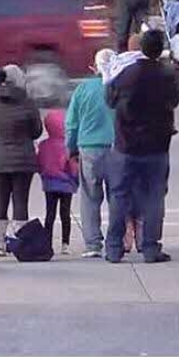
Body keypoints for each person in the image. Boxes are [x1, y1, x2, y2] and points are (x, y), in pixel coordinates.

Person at [104, 29, 179, 264]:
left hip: (126, 144)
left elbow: (109, 99)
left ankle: (114, 248)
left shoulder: (127, 74)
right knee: (154, 197)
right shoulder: (170, 75)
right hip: (157, 144)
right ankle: (150, 246)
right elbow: (174, 101)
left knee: (119, 195)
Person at [0, 64, 42, 257]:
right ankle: (19, 240)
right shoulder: (28, 102)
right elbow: (36, 131)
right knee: (20, 201)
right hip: (23, 159)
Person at [65, 48, 117, 258]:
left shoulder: (83, 89)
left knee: (90, 197)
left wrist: (71, 149)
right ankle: (116, 240)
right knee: (117, 197)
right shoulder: (119, 88)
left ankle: (93, 243)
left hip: (89, 147)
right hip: (117, 148)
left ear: (93, 67)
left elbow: (72, 123)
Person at [37, 109, 79, 255]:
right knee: (65, 214)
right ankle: (65, 243)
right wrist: (76, 180)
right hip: (66, 185)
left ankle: (47, 242)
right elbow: (73, 166)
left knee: (50, 214)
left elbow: (39, 163)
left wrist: (43, 175)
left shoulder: (43, 145)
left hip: (49, 184)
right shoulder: (69, 146)